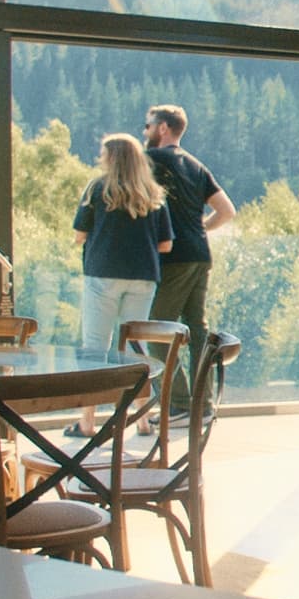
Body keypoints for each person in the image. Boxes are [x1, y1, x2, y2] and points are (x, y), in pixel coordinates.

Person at [69, 132, 174, 438]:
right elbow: (165, 244)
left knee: (95, 348)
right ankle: (142, 420)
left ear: (111, 158)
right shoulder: (153, 194)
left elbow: (79, 234)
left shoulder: (98, 189)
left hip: (102, 274)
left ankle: (87, 421)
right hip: (142, 276)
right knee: (135, 348)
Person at [143, 103, 235, 422]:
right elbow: (227, 210)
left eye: (148, 126)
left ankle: (180, 404)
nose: (145, 132)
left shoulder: (149, 161)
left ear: (163, 128)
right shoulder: (197, 165)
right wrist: (199, 230)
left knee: (154, 329)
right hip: (200, 254)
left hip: (173, 256)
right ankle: (202, 405)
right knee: (197, 330)